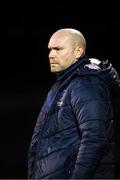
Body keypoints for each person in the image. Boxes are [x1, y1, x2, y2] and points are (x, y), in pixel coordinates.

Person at [28, 28, 120, 179]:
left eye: (58, 49)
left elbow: (94, 139)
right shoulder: (62, 85)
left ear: (78, 52)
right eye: (50, 50)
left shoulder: (87, 84)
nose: (51, 55)